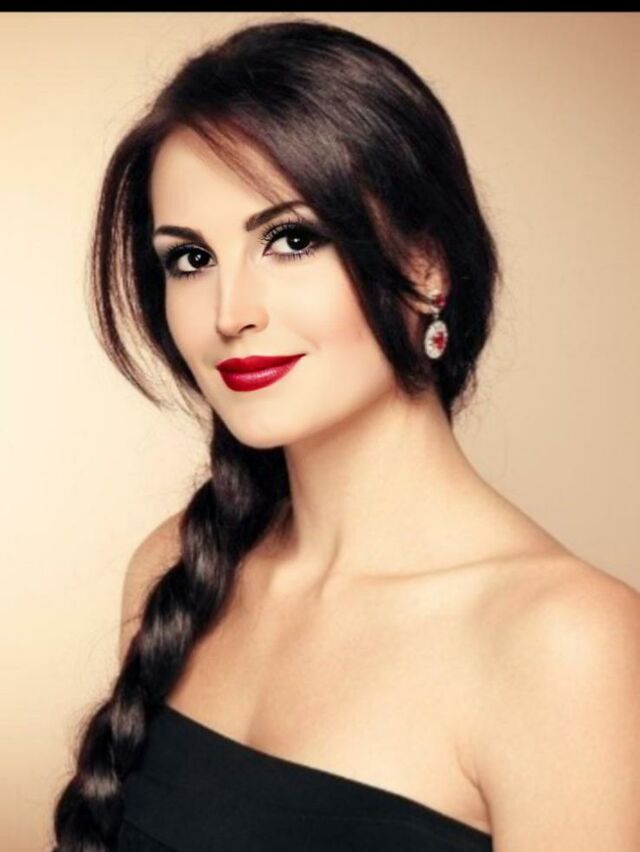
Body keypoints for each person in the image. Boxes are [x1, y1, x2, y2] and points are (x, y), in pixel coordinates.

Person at [49, 17, 640, 852]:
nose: (230, 313)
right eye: (191, 259)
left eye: (292, 240)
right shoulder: (176, 568)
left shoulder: (567, 644)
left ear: (426, 264)